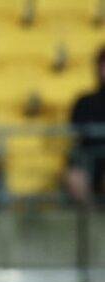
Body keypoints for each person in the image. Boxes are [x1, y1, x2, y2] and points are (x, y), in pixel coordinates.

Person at [65, 46, 105, 206]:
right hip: (87, 159)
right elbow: (76, 132)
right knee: (75, 177)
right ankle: (90, 215)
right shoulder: (84, 102)